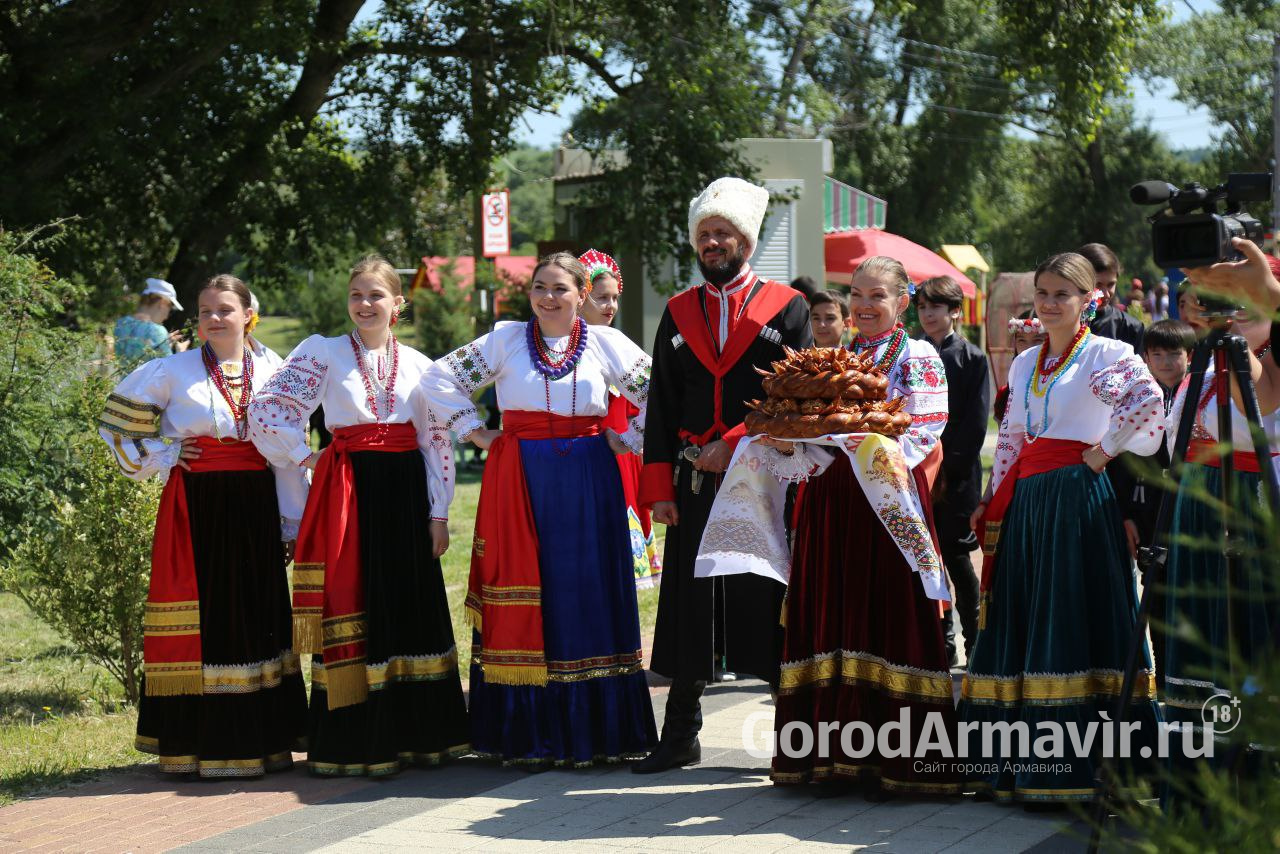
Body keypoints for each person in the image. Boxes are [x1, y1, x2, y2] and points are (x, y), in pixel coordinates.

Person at [712, 255, 958, 796]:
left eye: (878, 296)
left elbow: (925, 428)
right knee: (834, 612)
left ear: (902, 301)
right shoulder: (834, 357)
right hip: (830, 498)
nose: (866, 306)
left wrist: (869, 458)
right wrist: (795, 445)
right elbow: (809, 430)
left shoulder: (917, 356)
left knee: (887, 613)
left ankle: (899, 764)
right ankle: (830, 759)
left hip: (886, 499)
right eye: (859, 295)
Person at [421, 252, 658, 768]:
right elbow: (437, 380)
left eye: (560, 289)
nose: (548, 297)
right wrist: (476, 432)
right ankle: (523, 732)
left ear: (582, 295)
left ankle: (595, 733)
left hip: (589, 476)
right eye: (539, 287)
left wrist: (629, 437)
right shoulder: (505, 338)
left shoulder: (605, 342)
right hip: (520, 476)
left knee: (582, 587)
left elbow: (659, 390)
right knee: (530, 584)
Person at [249, 254, 469, 777]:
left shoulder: (420, 365)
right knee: (354, 600)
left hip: (404, 491)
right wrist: (307, 456)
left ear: (398, 304)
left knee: (406, 601)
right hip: (348, 489)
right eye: (356, 295)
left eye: (375, 295)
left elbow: (435, 440)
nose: (364, 304)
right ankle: (355, 739)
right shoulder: (323, 354)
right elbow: (268, 408)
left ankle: (419, 736)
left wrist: (438, 513)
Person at [959, 252, 1165, 804]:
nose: (1049, 304)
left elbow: (1150, 403)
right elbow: (1010, 439)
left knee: (1073, 616)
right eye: (1043, 294)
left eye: (1061, 295)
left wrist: (1101, 451)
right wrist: (992, 498)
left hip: (1078, 499)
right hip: (1029, 501)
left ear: (1087, 300)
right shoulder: (1027, 363)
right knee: (1026, 618)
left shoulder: (1108, 352)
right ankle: (1014, 763)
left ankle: (1084, 767)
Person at [634, 177, 813, 774]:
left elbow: (794, 399)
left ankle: (791, 738)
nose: (712, 243)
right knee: (690, 604)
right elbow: (660, 403)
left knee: (762, 597)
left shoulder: (787, 307)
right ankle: (680, 733)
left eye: (723, 233)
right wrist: (657, 490)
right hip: (690, 482)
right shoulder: (678, 311)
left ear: (747, 240)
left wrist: (731, 445)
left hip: (759, 478)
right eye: (704, 235)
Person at [98, 274, 307, 777]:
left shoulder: (277, 370)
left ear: (248, 314)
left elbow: (284, 452)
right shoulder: (174, 369)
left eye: (225, 310)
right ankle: (196, 743)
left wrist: (290, 520)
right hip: (198, 501)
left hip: (256, 501)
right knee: (207, 614)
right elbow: (115, 423)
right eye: (206, 310)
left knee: (256, 611)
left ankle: (263, 742)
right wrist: (167, 452)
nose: (214, 318)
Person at [1160, 308, 1277, 809]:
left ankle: (1252, 781)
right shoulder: (1202, 371)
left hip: (1247, 503)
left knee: (1247, 631)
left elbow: (1259, 407)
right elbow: (1174, 441)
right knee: (1199, 635)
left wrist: (1240, 345)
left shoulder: (1264, 369)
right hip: (1197, 505)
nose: (1227, 320)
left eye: (1244, 312)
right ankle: (1195, 785)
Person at [1107, 319, 1194, 691]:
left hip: (1190, 513)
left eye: (1173, 353)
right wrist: (1124, 514)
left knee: (1192, 600)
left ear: (1190, 356)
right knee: (1155, 601)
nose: (1165, 361)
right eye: (1156, 354)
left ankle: (1193, 680)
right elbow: (1122, 460)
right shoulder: (1139, 399)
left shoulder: (1199, 395)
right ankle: (1165, 680)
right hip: (1147, 514)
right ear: (1145, 357)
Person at [916, 275, 990, 666]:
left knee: (958, 559)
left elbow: (976, 423)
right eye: (923, 307)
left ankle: (976, 643)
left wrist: (948, 469)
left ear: (955, 312)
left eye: (936, 307)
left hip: (956, 476)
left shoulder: (971, 358)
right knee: (925, 559)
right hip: (915, 470)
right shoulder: (910, 354)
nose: (928, 314)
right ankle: (939, 644)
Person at [579, 248, 662, 590]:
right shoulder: (554, 342)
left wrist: (629, 437)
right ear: (581, 296)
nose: (610, 306)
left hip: (612, 451)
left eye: (614, 298)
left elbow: (658, 392)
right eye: (601, 298)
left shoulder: (612, 342)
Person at [1079, 243, 1145, 352]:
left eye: (1111, 285)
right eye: (1098, 285)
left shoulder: (1130, 328)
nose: (1106, 294)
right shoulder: (1056, 321)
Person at [114, 278, 189, 363]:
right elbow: (169, 370)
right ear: (162, 303)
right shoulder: (157, 331)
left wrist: (163, 342)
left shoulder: (121, 323)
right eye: (170, 309)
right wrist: (181, 353)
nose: (167, 317)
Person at [994, 310, 1046, 424]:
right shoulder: (1004, 394)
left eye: (1037, 340)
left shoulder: (1061, 386)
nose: (1028, 348)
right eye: (1021, 340)